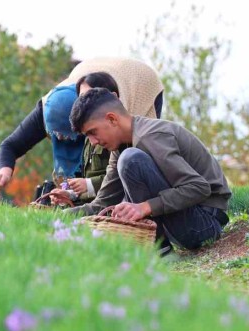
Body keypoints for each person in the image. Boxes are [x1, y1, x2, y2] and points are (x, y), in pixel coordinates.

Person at [68, 88, 232, 251]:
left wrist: (144, 207)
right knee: (127, 159)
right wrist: (57, 216)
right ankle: (162, 250)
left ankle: (161, 251)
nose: (93, 142)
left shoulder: (150, 136)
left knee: (130, 159)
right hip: (183, 224)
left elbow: (199, 188)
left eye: (92, 132)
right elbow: (102, 203)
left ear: (112, 119)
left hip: (205, 224)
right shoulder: (120, 147)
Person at [0, 57, 164, 203]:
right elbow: (10, 145)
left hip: (139, 81)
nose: (64, 142)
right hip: (91, 75)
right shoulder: (48, 110)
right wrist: (4, 173)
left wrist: (88, 185)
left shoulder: (112, 115)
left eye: (75, 137)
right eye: (57, 137)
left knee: (132, 164)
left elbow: (119, 174)